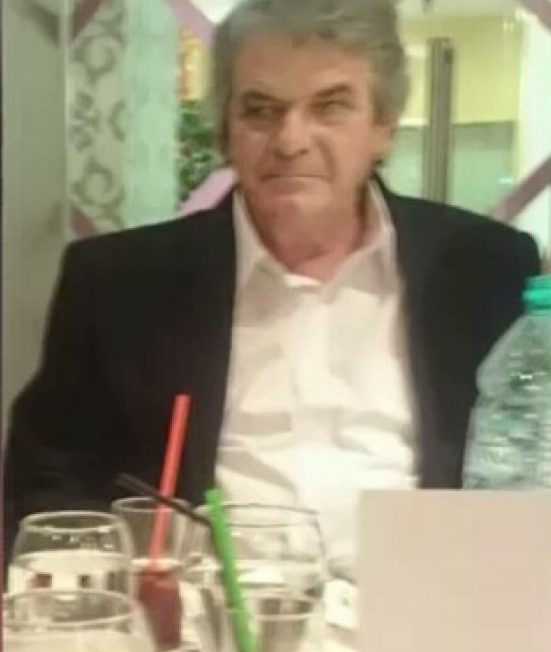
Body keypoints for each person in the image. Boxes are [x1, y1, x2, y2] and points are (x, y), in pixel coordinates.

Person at [4, 0, 540, 564]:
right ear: (226, 131)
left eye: (329, 107)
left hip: (423, 598)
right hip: (205, 607)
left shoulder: (486, 269)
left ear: (382, 126)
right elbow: (50, 478)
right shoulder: (119, 282)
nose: (290, 140)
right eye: (261, 111)